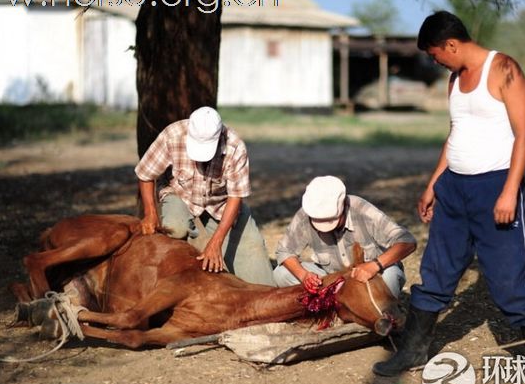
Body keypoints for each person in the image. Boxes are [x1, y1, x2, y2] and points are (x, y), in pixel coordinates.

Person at [372, 12, 525, 384]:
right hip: (455, 188)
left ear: (452, 44)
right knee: (437, 269)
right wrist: (434, 184)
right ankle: (413, 351)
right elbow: (456, 133)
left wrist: (508, 191)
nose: (436, 62)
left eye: (437, 54)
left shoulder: (503, 68)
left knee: (509, 276)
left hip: (495, 187)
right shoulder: (454, 80)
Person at [135, 106, 275, 286]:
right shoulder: (172, 134)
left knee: (255, 258)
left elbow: (235, 197)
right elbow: (145, 174)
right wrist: (150, 213)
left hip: (220, 204)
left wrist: (216, 242)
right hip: (180, 194)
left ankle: (210, 242)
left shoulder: (235, 146)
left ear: (219, 137)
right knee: (175, 227)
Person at [273, 176, 417, 298]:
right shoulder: (307, 212)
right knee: (281, 274)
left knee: (390, 275)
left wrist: (375, 265)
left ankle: (379, 311)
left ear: (343, 206)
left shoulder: (362, 209)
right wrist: (304, 275)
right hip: (331, 278)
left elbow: (407, 241)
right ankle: (335, 305)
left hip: (372, 276)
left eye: (331, 220)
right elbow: (284, 251)